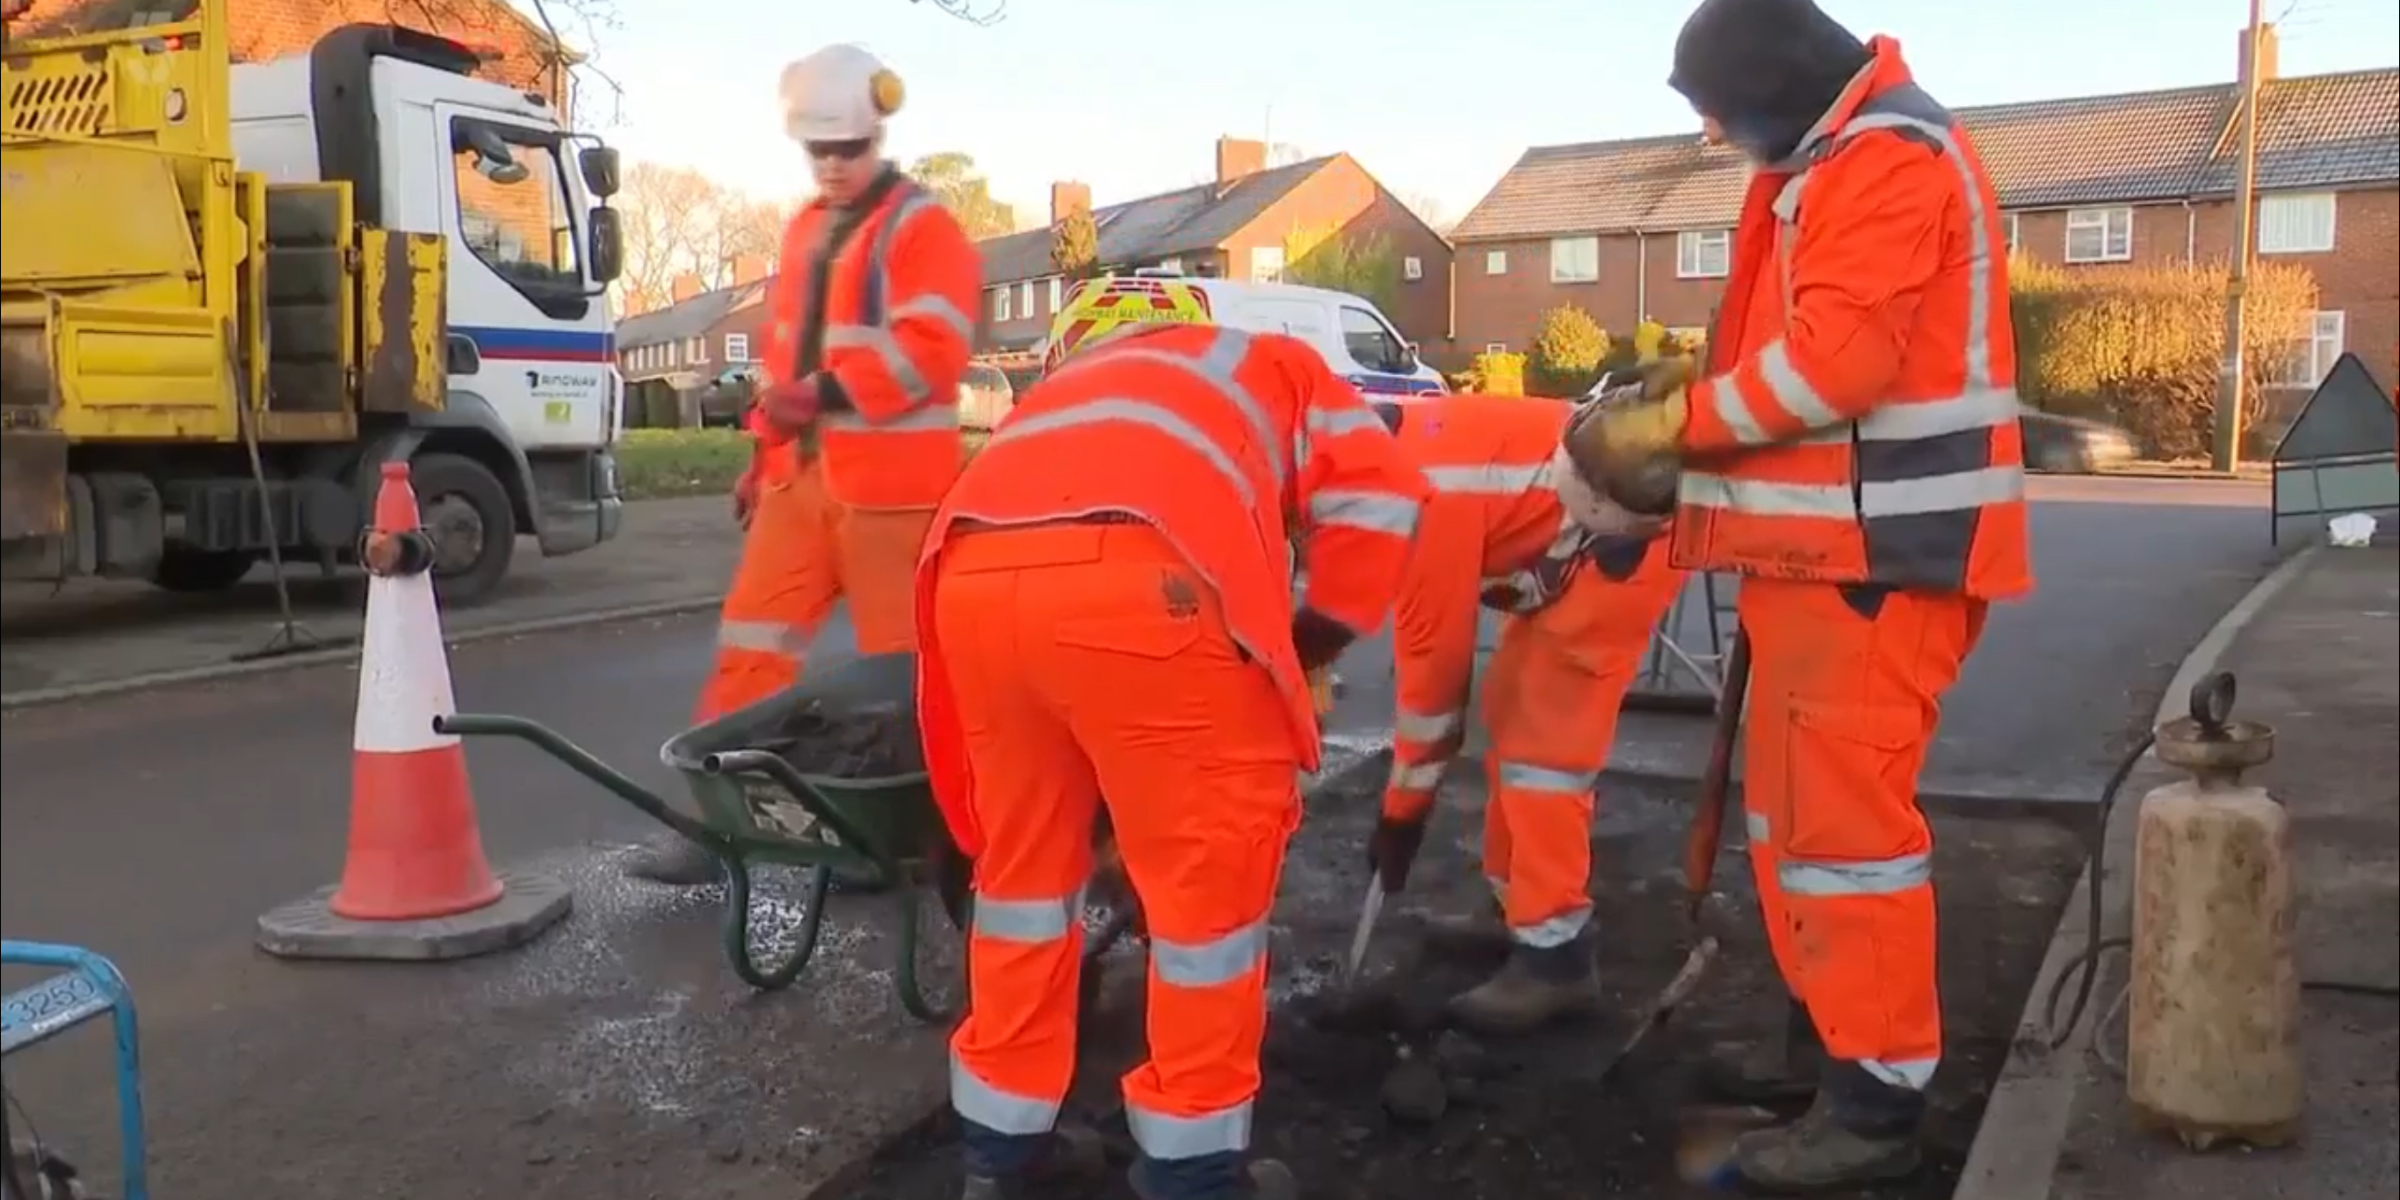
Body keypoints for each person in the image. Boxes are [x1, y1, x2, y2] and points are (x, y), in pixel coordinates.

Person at [1556, 0, 2033, 1188]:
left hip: (1878, 569)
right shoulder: (1834, 159)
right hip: (1827, 568)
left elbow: (1838, 367)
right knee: (1801, 833)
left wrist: (1676, 424)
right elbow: (1808, 352)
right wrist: (1702, 390)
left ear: (1773, 85)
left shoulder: (1886, 157)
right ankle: (1836, 1056)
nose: (1712, 133)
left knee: (1845, 844)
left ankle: (1874, 1108)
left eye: (1714, 108)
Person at [919, 278, 1427, 1200]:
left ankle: (1001, 1162)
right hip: (1155, 585)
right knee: (1206, 914)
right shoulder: (1258, 360)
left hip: (972, 587)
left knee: (1024, 888)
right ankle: (1192, 1175)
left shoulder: (1047, 403)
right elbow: (1384, 497)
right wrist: (1313, 634)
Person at [627, 43, 979, 886]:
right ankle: (713, 826)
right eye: (818, 151)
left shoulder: (924, 229)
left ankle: (897, 839)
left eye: (847, 150)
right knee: (752, 648)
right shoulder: (806, 229)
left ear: (876, 135)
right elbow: (787, 361)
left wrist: (818, 398)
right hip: (800, 486)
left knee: (905, 678)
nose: (832, 166)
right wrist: (761, 457)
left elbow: (931, 352)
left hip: (895, 496)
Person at [1365, 391, 1684, 1037]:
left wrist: (1400, 818)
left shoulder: (1415, 499)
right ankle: (1516, 906)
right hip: (1582, 536)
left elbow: (1434, 686)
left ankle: (1556, 955)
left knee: (1544, 753)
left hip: (1626, 535)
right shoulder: (1381, 445)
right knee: (1511, 707)